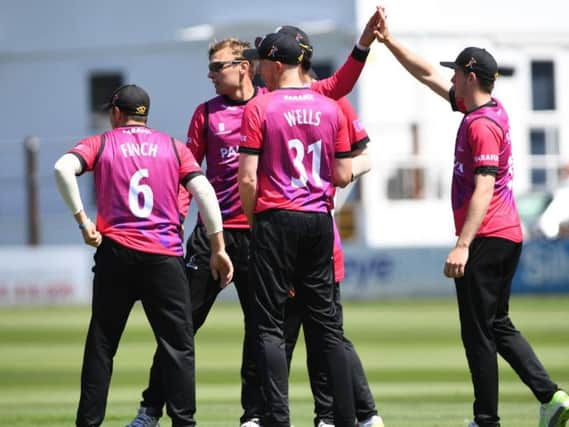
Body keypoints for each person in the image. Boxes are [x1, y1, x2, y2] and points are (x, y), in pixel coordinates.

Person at [127, 8, 383, 427]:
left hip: (264, 229)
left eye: (217, 66)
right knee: (183, 327)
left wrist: (362, 47)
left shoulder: (270, 104)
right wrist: (175, 226)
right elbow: (186, 176)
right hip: (218, 233)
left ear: (249, 67)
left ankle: (259, 416)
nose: (210, 74)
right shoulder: (207, 113)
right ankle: (151, 409)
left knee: (262, 330)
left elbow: (336, 87)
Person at [374, 8, 569, 427]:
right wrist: (389, 42)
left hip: (488, 237)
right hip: (506, 234)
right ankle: (551, 397)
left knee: (478, 332)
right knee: (496, 324)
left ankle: (486, 420)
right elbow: (426, 73)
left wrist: (463, 243)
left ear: (469, 75)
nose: (450, 81)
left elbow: (484, 186)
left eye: (455, 75)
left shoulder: (481, 125)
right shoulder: (487, 110)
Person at [53, 84, 233, 427]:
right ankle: (183, 422)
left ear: (117, 113)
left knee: (102, 345)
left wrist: (83, 222)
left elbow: (63, 168)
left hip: (115, 253)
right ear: (145, 114)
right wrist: (218, 247)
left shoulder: (101, 143)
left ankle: (88, 423)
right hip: (163, 256)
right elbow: (204, 190)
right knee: (177, 347)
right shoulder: (173, 147)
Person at [239, 31, 354, 427]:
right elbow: (341, 173)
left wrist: (257, 224)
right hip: (319, 220)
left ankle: (277, 419)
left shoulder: (260, 107)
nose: (257, 71)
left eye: (260, 64)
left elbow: (249, 180)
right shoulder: (330, 108)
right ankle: (344, 419)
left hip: (276, 218)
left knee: (269, 325)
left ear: (274, 64)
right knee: (327, 325)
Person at [276, 25, 384, 427]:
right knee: (301, 332)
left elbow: (364, 158)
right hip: (291, 227)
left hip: (310, 228)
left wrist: (334, 192)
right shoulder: (270, 100)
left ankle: (356, 415)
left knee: (321, 332)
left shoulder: (330, 98)